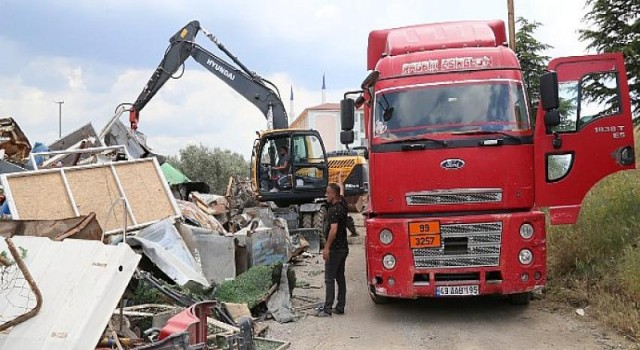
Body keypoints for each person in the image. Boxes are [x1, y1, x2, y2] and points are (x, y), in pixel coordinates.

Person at [316, 181, 349, 317]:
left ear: (334, 195)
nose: (326, 195)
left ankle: (327, 309)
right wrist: (341, 185)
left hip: (335, 249)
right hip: (344, 248)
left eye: (328, 193)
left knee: (329, 278)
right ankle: (340, 306)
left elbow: (333, 230)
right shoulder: (343, 205)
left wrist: (326, 248)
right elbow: (342, 193)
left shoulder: (333, 210)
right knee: (340, 277)